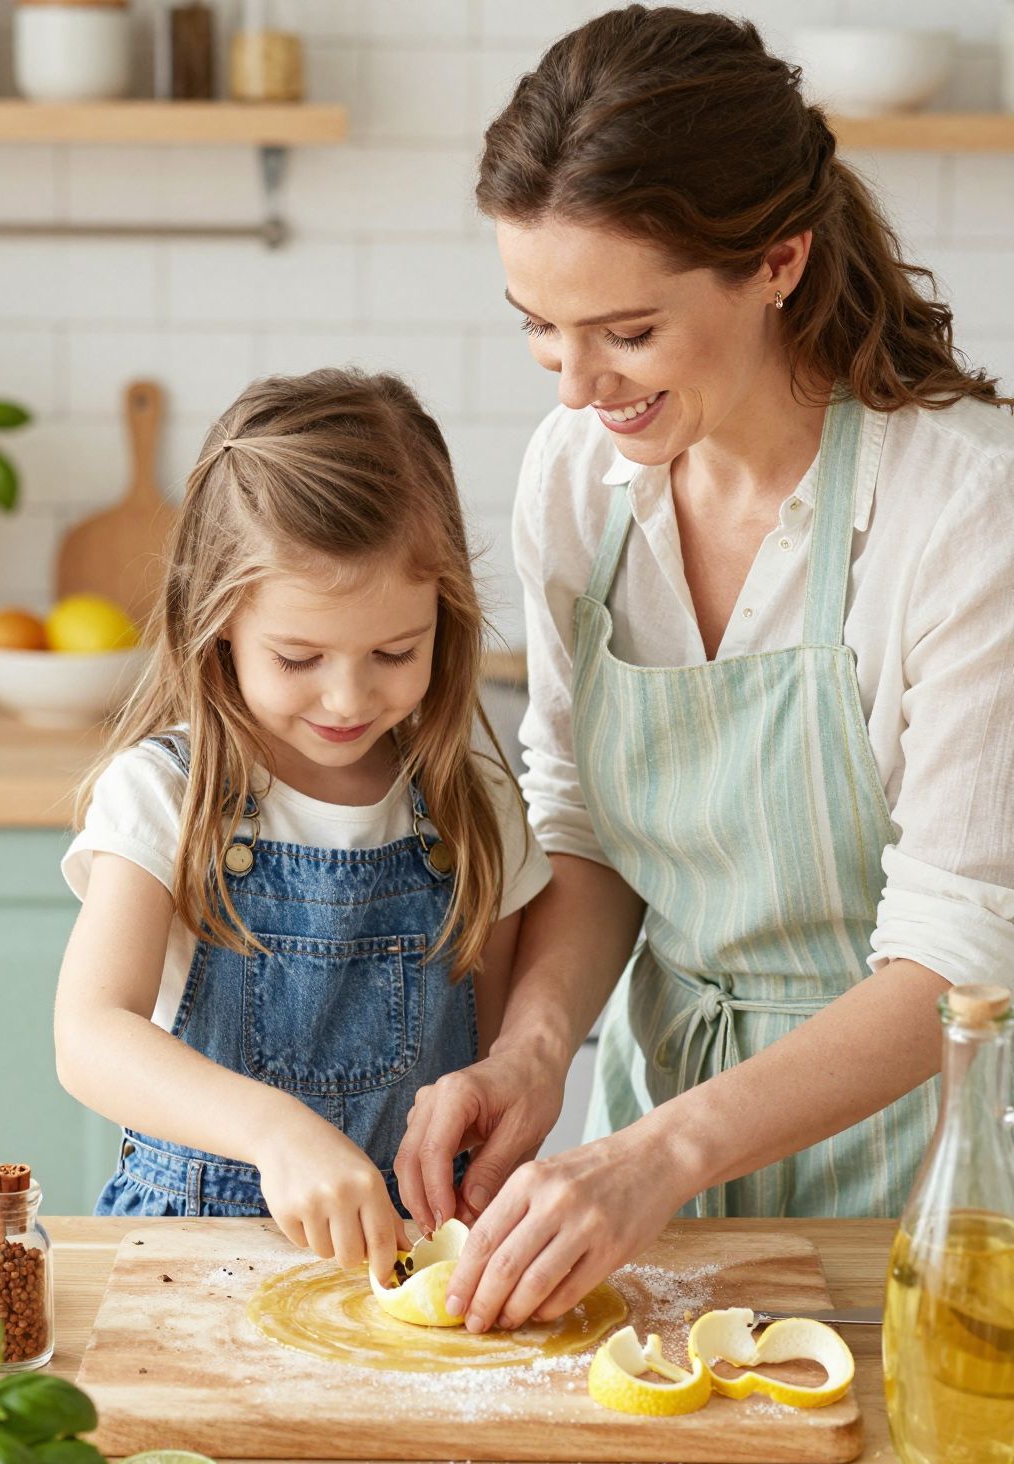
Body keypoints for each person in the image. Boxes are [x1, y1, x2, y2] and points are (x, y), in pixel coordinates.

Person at [395, 5, 1014, 1333]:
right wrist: (536, 1052)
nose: (577, 389)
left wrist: (656, 1158)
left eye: (626, 332)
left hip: (938, 1189)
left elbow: (961, 960)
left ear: (777, 260)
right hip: (660, 1168)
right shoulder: (581, 479)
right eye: (540, 330)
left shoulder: (962, 513)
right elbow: (587, 822)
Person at [55, 369, 550, 1277]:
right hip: (191, 1254)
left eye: (395, 652)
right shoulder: (166, 794)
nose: (349, 695)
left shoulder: (472, 797)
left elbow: (490, 1048)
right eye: (298, 656)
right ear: (219, 627)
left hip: (407, 1261)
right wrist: (272, 1131)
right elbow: (90, 1035)